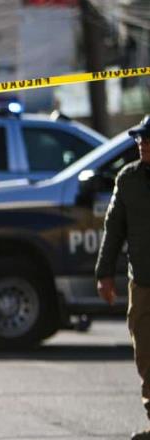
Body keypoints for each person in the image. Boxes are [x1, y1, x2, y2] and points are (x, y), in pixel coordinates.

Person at [96, 115, 150, 440]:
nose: (142, 144)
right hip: (142, 280)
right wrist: (104, 273)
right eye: (140, 139)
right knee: (145, 350)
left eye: (148, 139)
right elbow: (113, 228)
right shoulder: (128, 179)